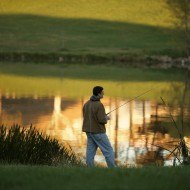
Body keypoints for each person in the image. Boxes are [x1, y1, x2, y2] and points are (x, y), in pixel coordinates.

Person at [82, 86, 116, 168]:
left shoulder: (86, 104)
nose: (103, 94)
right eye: (102, 92)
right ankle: (113, 169)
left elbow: (87, 117)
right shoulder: (99, 105)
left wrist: (102, 116)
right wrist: (106, 118)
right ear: (99, 93)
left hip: (89, 132)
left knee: (90, 152)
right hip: (98, 132)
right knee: (109, 151)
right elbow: (102, 120)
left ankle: (90, 168)